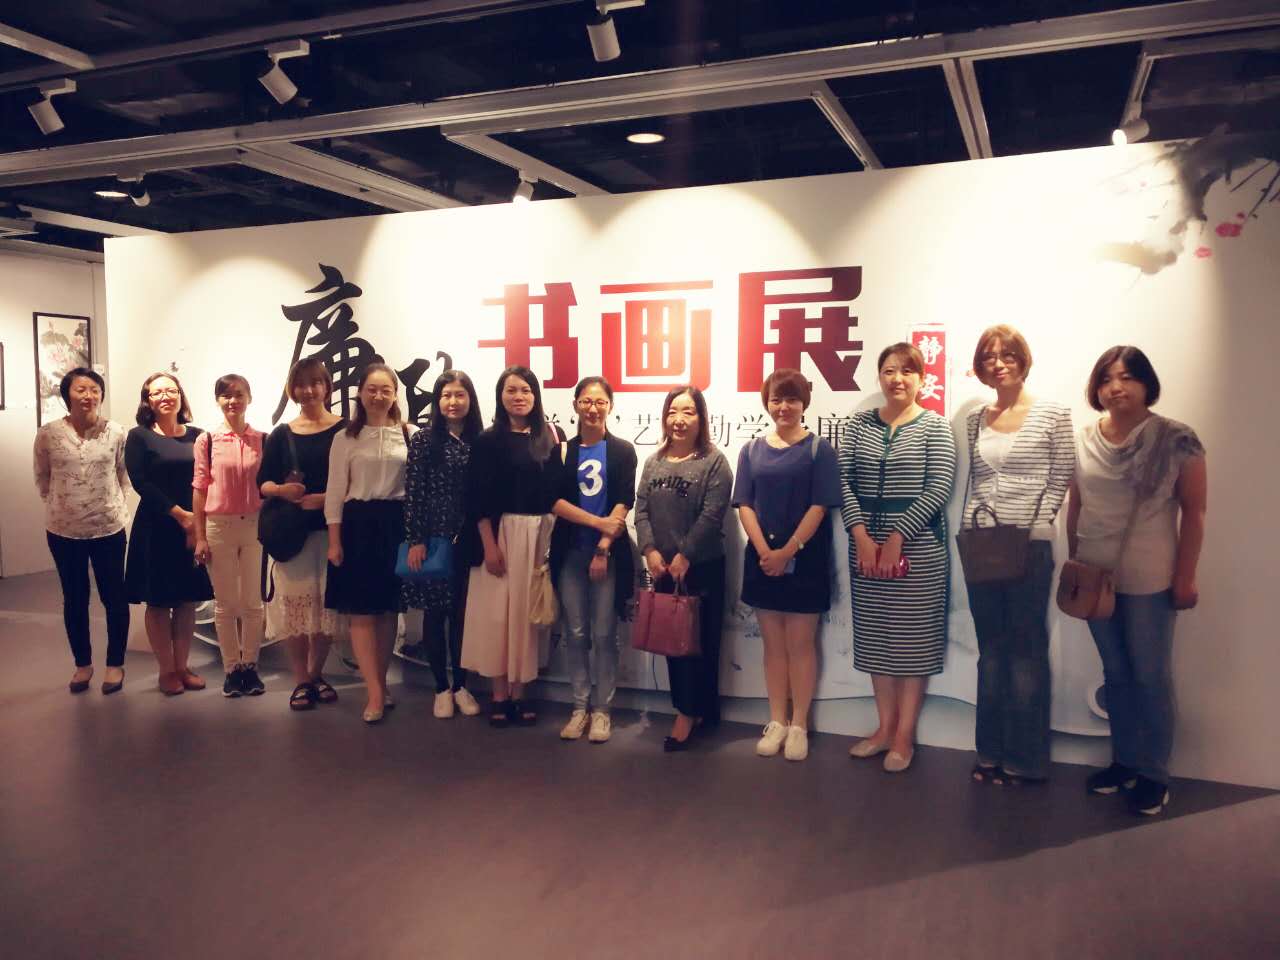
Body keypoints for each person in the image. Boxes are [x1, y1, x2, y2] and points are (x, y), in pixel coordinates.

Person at [1068, 345, 1206, 816]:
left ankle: (1154, 774)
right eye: (1107, 379)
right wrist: (1074, 562)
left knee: (1150, 676)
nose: (1116, 387)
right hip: (1094, 577)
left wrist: (1186, 576)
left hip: (1151, 578)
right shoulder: (1083, 438)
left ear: (1147, 383)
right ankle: (1124, 762)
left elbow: (1195, 512)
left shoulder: (1176, 438)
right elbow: (1077, 504)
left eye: (1127, 377)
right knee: (1116, 674)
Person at [962, 326, 1075, 786]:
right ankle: (989, 751)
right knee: (990, 651)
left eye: (1008, 354)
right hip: (982, 543)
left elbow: (1062, 473)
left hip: (1030, 544)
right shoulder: (976, 418)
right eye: (989, 356)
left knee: (1026, 650)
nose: (999, 363)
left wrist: (1035, 524)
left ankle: (1025, 758)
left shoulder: (1052, 413)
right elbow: (978, 481)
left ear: (1023, 360)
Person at [840, 343, 957, 772]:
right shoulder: (858, 424)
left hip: (920, 548)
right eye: (889, 370)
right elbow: (843, 480)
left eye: (907, 371)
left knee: (912, 643)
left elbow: (939, 485)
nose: (897, 379)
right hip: (864, 545)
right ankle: (883, 728)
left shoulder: (935, 426)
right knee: (877, 638)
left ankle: (904, 736)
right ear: (880, 377)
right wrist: (861, 536)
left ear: (921, 379)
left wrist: (896, 538)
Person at [732, 369, 842, 762]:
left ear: (803, 403)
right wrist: (766, 551)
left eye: (791, 399)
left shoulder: (819, 450)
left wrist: (788, 551)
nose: (784, 407)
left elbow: (820, 506)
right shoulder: (751, 450)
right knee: (773, 646)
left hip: (805, 558)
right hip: (762, 557)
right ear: (767, 403)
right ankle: (776, 720)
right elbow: (745, 504)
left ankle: (799, 725)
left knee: (801, 645)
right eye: (776, 399)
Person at [461, 365, 565, 727]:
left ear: (535, 396)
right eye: (511, 390)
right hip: (501, 533)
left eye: (525, 390)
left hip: (540, 535)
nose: (518, 397)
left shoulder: (550, 437)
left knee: (526, 617)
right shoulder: (487, 440)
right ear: (500, 396)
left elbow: (556, 493)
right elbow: (476, 498)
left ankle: (520, 693)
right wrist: (490, 546)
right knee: (498, 617)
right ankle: (499, 694)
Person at [634, 386, 732, 752]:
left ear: (701, 419)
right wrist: (649, 550)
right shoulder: (654, 461)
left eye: (688, 411)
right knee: (674, 643)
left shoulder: (714, 461)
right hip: (664, 569)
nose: (679, 419)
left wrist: (685, 554)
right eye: (673, 411)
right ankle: (687, 709)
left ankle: (693, 713)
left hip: (702, 566)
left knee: (701, 643)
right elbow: (641, 509)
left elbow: (713, 513)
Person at [324, 363, 416, 724]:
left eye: (385, 390)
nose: (378, 396)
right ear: (360, 393)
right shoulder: (345, 438)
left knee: (389, 610)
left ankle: (381, 681)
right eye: (371, 389)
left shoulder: (410, 434)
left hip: (396, 525)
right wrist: (335, 541)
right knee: (361, 611)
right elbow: (335, 493)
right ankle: (374, 692)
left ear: (395, 395)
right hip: (357, 526)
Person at [549, 376, 636, 745]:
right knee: (576, 633)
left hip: (608, 554)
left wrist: (603, 546)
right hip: (570, 553)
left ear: (610, 406)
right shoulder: (561, 452)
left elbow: (623, 502)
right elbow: (554, 502)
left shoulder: (622, 451)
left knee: (603, 634)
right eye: (586, 401)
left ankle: (602, 710)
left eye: (600, 401)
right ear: (575, 406)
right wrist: (597, 523)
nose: (593, 408)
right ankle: (579, 707)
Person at [33, 367, 131, 695]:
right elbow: (42, 477)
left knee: (114, 596)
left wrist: (112, 505)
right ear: (67, 395)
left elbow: (123, 475)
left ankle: (115, 664)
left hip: (108, 527)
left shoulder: (116, 432)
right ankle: (83, 665)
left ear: (101, 395)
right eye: (81, 389)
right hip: (63, 530)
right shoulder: (48, 434)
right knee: (74, 598)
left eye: (94, 390)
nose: (88, 395)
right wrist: (63, 504)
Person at [258, 358, 346, 712]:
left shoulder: (346, 430)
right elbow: (263, 484)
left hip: (334, 533)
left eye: (315, 382)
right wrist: (283, 490)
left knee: (325, 608)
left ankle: (315, 673)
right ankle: (301, 680)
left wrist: (325, 499)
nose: (308, 390)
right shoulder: (282, 434)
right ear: (292, 390)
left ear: (327, 386)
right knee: (295, 607)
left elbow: (357, 479)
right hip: (292, 535)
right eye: (301, 384)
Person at [124, 372, 214, 695]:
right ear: (147, 400)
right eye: (157, 392)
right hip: (156, 527)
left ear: (180, 395)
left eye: (171, 391)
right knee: (159, 602)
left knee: (188, 601)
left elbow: (207, 479)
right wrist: (180, 514)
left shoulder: (198, 436)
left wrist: (197, 521)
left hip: (192, 529)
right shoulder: (139, 437)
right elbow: (140, 482)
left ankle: (182, 666)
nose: (165, 397)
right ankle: (166, 670)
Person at [402, 370, 484, 720]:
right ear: (438, 401)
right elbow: (414, 493)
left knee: (464, 615)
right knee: (435, 614)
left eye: (460, 395)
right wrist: (415, 540)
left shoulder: (482, 440)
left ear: (470, 400)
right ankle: (440, 687)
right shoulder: (424, 440)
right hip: (434, 539)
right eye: (447, 395)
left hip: (472, 539)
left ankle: (461, 685)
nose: (453, 402)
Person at [193, 374, 266, 698]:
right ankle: (231, 670)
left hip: (254, 526)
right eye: (226, 395)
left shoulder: (262, 440)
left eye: (238, 394)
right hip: (218, 526)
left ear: (249, 398)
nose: (232, 401)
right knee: (225, 604)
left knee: (253, 602)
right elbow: (199, 489)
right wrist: (200, 536)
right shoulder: (207, 440)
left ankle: (250, 666)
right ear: (218, 400)